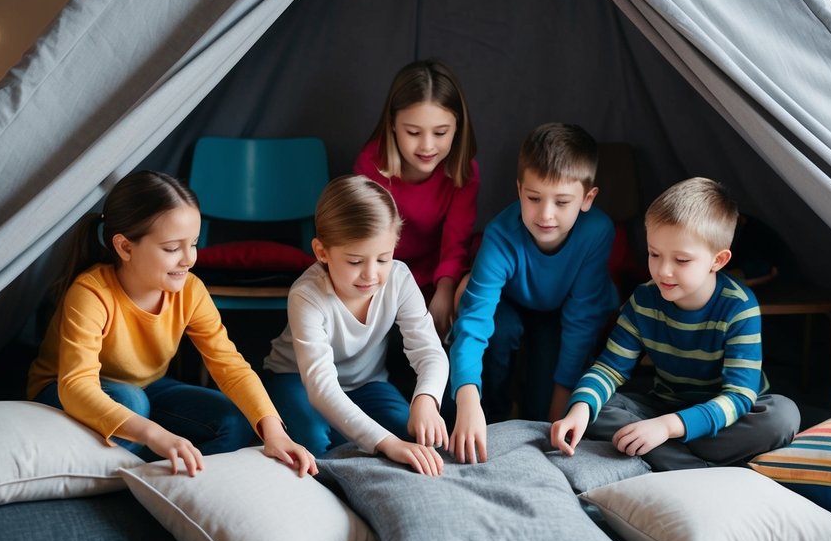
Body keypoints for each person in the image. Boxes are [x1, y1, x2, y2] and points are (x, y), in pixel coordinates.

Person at [27, 170, 317, 478]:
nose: (188, 258)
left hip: (146, 388)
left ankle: (174, 486)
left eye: (193, 243)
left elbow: (229, 365)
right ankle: (122, 485)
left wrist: (274, 433)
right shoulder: (91, 294)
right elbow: (76, 386)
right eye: (171, 248)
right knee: (131, 402)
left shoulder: (190, 290)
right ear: (125, 248)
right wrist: (155, 435)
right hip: (65, 389)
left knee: (232, 420)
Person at [550, 177, 800, 471]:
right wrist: (580, 410)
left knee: (783, 416)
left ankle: (666, 455)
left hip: (729, 416)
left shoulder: (738, 307)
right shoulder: (643, 300)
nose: (663, 271)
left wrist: (668, 428)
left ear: (717, 260)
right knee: (596, 408)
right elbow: (609, 368)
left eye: (681, 260)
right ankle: (700, 466)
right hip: (665, 406)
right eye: (654, 254)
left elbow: (739, 396)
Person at [448, 123, 617, 464]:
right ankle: (492, 414)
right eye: (534, 198)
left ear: (587, 199)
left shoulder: (597, 232)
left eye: (562, 201)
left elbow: (582, 319)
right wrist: (468, 402)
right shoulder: (501, 235)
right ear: (519, 190)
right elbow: (474, 323)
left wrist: (559, 406)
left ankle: (527, 408)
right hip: (511, 304)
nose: (545, 214)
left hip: (561, 312)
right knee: (497, 333)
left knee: (542, 413)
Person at [262, 175, 449, 476]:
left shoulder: (399, 279)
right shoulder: (306, 295)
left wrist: (426, 399)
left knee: (415, 438)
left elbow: (429, 351)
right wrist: (385, 443)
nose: (371, 275)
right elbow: (321, 388)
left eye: (383, 259)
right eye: (354, 262)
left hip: (366, 383)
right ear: (322, 253)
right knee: (314, 441)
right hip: (295, 379)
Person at [354, 58, 478, 339]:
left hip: (438, 275)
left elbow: (455, 240)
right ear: (393, 125)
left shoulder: (464, 172)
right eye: (413, 132)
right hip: (381, 275)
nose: (427, 146)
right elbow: (368, 241)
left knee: (462, 304)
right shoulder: (371, 164)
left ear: (457, 127)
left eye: (440, 133)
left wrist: (445, 288)